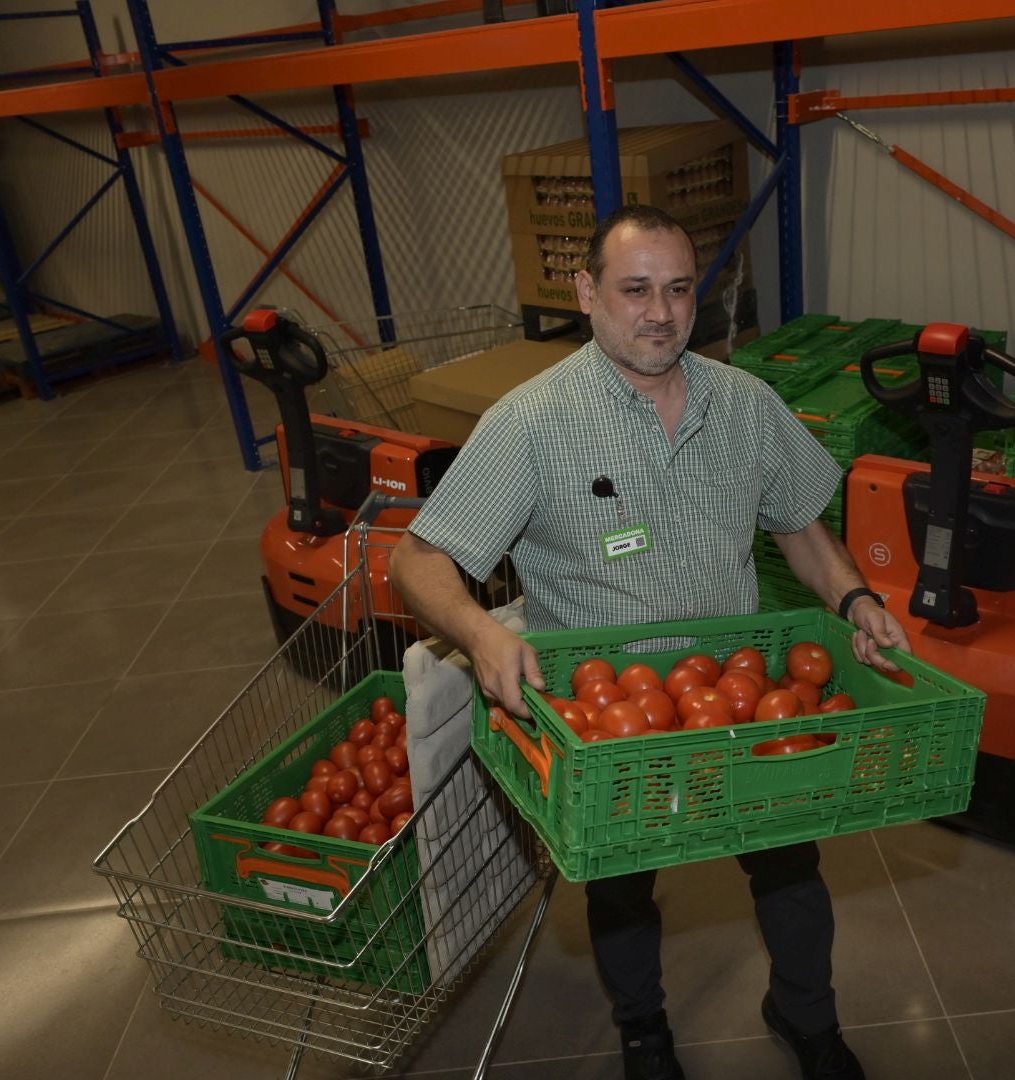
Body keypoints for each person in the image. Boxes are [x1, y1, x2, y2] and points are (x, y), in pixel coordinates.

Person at [391, 204, 911, 1080]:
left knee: (789, 864)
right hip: (607, 714)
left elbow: (800, 526)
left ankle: (805, 1013)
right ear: (588, 292)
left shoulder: (745, 405)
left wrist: (854, 594)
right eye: (635, 290)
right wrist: (480, 630)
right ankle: (643, 1030)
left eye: (677, 290)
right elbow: (418, 558)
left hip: (740, 696)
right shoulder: (531, 423)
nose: (660, 313)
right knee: (623, 886)